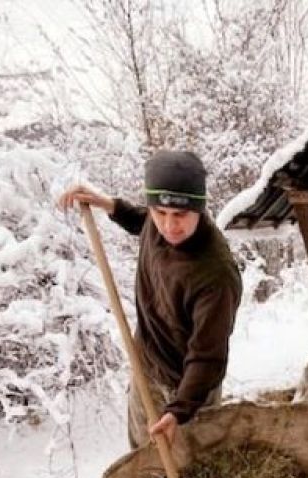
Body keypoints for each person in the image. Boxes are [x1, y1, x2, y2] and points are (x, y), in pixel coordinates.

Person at [58, 150, 242, 448]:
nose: (169, 226)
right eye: (161, 213)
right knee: (143, 457)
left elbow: (208, 356)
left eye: (180, 215)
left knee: (195, 465)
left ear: (200, 209)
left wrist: (179, 410)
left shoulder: (215, 274)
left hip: (190, 386)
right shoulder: (156, 227)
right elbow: (142, 221)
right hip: (146, 364)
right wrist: (108, 204)